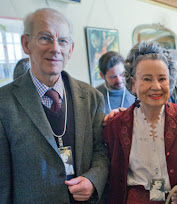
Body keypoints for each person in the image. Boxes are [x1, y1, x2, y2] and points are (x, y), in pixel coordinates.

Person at [0, 8, 109, 203]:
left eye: (63, 41)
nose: (56, 48)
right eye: (45, 38)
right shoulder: (4, 103)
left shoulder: (92, 97)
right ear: (26, 44)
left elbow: (101, 151)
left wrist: (93, 180)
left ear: (71, 49)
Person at [103, 42, 177, 203]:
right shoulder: (116, 125)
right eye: (147, 79)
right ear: (133, 84)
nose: (156, 86)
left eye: (162, 78)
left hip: (176, 199)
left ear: (170, 82)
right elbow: (110, 174)